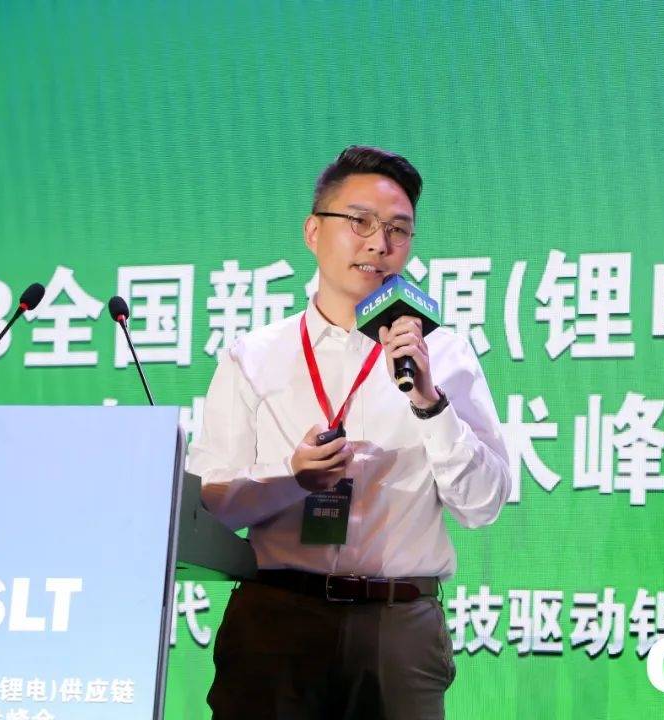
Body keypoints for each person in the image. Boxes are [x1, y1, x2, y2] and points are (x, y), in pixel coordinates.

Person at [187, 146, 511, 720]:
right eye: (360, 221)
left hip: (398, 626)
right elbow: (213, 505)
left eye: (398, 229)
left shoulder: (443, 354)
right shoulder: (253, 357)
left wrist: (430, 404)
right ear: (314, 231)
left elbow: (483, 506)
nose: (379, 243)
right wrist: (292, 481)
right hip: (278, 619)